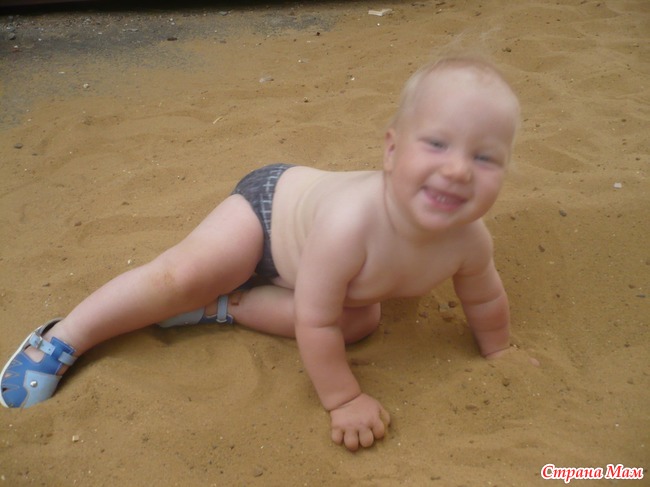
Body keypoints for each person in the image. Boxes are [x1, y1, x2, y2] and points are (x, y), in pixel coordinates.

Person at [1, 57, 520, 452]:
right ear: (391, 150)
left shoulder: (470, 240)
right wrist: (344, 398)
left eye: (484, 157)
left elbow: (484, 299)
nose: (457, 170)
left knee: (361, 321)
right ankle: (63, 338)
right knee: (183, 276)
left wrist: (499, 350)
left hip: (317, 277)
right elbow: (314, 322)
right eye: (436, 145)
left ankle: (224, 306)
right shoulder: (351, 224)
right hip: (268, 217)